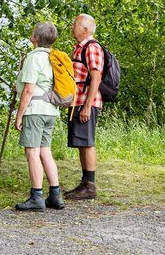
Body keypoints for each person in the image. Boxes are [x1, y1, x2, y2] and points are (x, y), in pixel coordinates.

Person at [13, 21, 64, 212]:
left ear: (36, 37)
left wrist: (19, 116)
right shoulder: (54, 57)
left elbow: (28, 90)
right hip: (51, 109)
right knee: (45, 151)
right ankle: (55, 195)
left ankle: (36, 197)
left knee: (32, 152)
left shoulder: (34, 58)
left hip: (35, 109)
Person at [64, 14, 102, 200]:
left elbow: (96, 78)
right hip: (77, 101)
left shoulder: (91, 47)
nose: (73, 27)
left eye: (75, 24)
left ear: (85, 29)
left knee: (87, 143)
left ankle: (90, 186)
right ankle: (85, 183)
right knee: (81, 143)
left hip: (86, 101)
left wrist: (87, 106)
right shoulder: (79, 48)